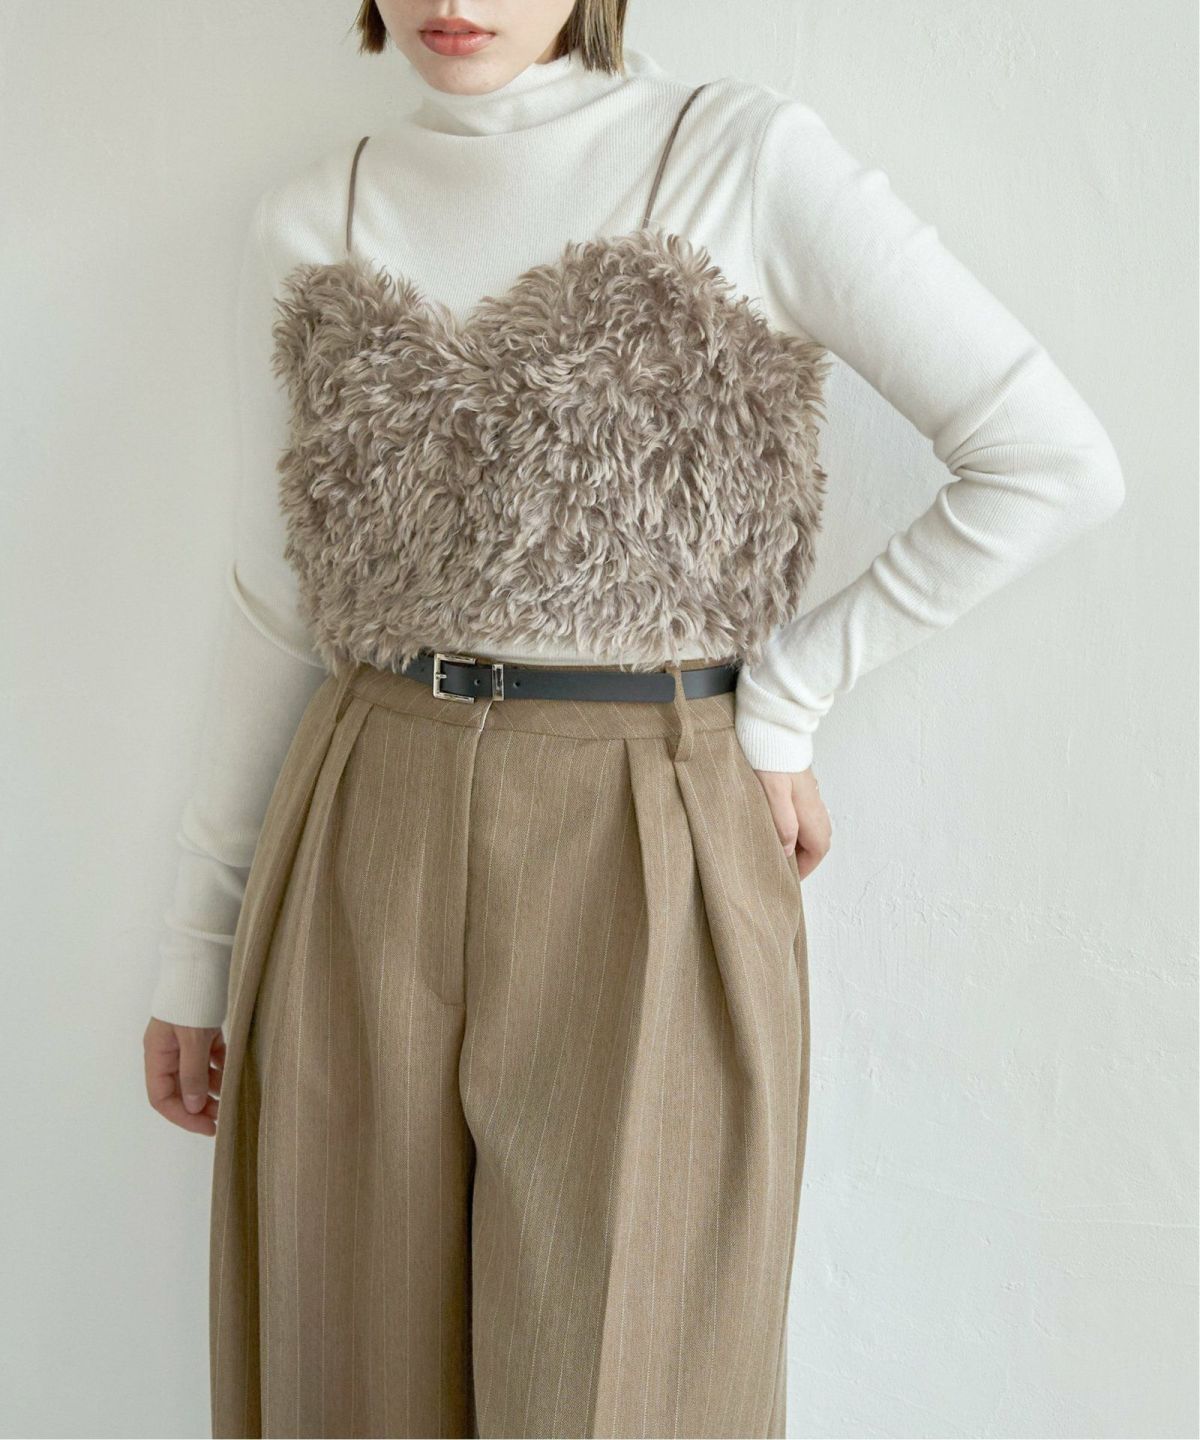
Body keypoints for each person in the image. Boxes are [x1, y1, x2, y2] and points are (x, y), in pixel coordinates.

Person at [142, 2, 1125, 1435]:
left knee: (633, 1387)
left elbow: (1047, 461)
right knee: (337, 1374)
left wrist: (784, 700)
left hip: (646, 825)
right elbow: (275, 599)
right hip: (363, 814)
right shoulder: (311, 216)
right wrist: (197, 940)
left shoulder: (737, 157)